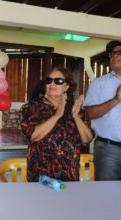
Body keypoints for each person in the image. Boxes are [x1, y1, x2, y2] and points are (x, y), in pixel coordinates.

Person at [20, 67, 93, 182]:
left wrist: (76, 118)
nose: (52, 84)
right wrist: (57, 115)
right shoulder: (34, 108)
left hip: (69, 175)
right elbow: (33, 136)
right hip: (41, 176)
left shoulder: (75, 110)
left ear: (67, 87)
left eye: (58, 81)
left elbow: (87, 139)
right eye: (49, 80)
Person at [83, 40, 121, 180]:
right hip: (108, 150)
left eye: (119, 52)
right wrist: (115, 100)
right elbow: (88, 114)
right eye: (112, 54)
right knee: (106, 195)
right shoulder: (99, 83)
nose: (114, 56)